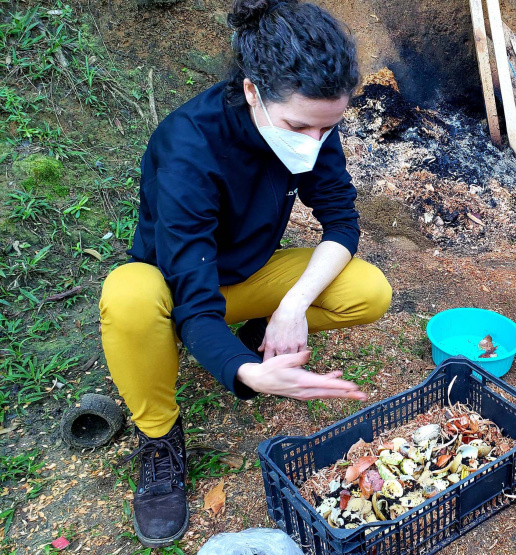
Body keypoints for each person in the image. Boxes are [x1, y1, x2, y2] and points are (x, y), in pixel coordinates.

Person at [98, 0, 392, 547]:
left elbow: (341, 222)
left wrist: (292, 305)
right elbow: (192, 292)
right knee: (128, 296)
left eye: (326, 129)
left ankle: (261, 333)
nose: (312, 143)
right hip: (178, 284)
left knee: (368, 290)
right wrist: (245, 374)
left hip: (252, 276)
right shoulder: (189, 144)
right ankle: (160, 437)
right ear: (254, 90)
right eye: (299, 126)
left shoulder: (314, 124)